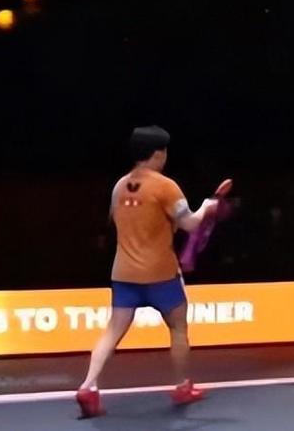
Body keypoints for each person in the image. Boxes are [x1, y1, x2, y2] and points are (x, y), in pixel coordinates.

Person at [76, 125, 218, 417]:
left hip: (124, 274)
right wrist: (207, 207)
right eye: (164, 151)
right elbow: (191, 223)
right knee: (178, 329)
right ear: (158, 154)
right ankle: (183, 386)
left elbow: (122, 221)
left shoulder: (119, 186)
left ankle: (88, 386)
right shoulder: (166, 186)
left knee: (112, 332)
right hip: (160, 275)